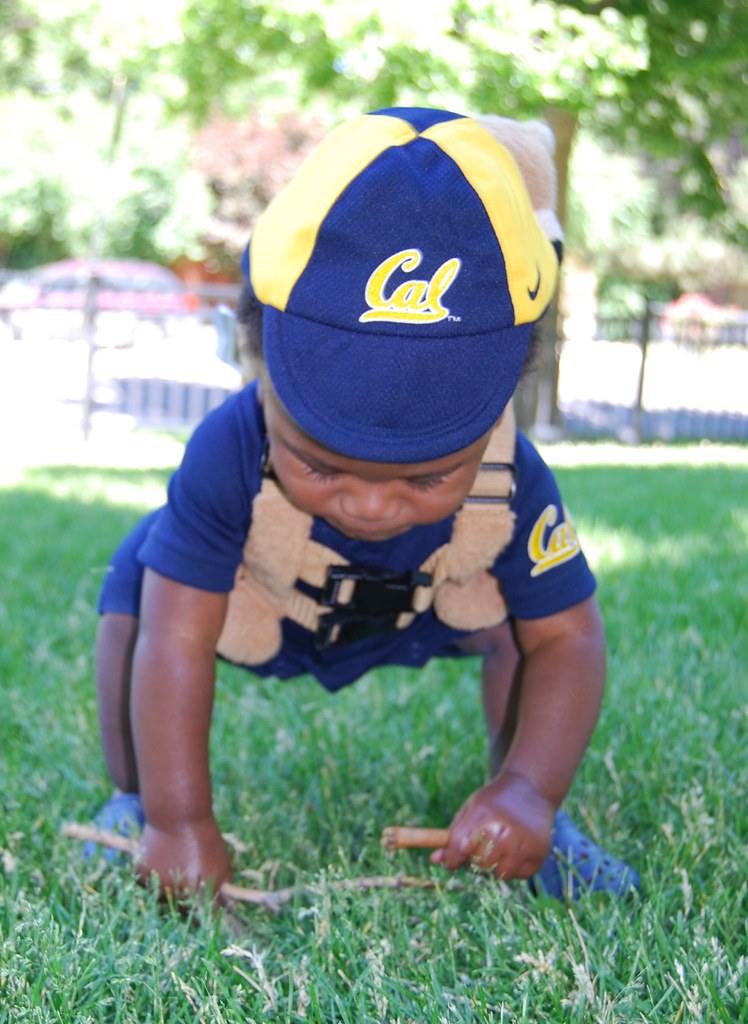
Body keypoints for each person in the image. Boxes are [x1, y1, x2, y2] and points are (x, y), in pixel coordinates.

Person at [89, 106, 639, 902]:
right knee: (140, 588)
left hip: (425, 609)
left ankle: (518, 810)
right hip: (266, 604)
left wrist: (532, 788)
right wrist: (182, 825)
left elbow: (571, 640)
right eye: (319, 461)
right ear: (259, 357)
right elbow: (175, 643)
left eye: (424, 477)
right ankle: (135, 799)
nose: (371, 503)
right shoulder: (228, 448)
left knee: (526, 625)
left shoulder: (510, 475)